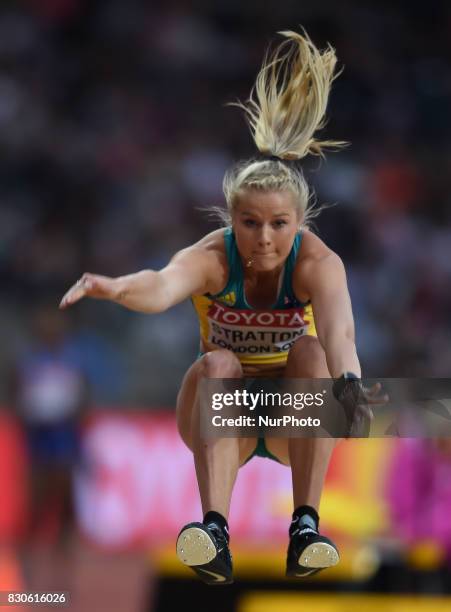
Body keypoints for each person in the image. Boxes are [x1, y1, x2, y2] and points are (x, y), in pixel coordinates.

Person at [60, 29, 384, 585]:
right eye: (250, 223)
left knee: (309, 352)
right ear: (231, 221)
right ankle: (213, 533)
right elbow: (160, 287)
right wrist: (113, 287)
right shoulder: (212, 256)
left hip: (291, 418)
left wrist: (351, 385)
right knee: (218, 362)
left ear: (299, 224)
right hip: (221, 415)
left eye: (278, 225)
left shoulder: (318, 264)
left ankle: (306, 528)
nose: (263, 239)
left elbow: (340, 335)